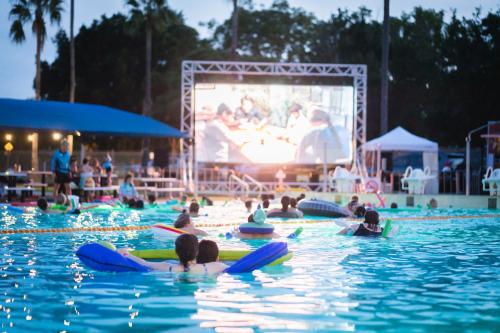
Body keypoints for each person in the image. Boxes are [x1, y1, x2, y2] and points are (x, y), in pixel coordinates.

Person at [118, 234, 227, 274]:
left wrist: (126, 253)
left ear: (176, 252)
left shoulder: (166, 267)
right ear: (197, 252)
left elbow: (143, 263)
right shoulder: (212, 267)